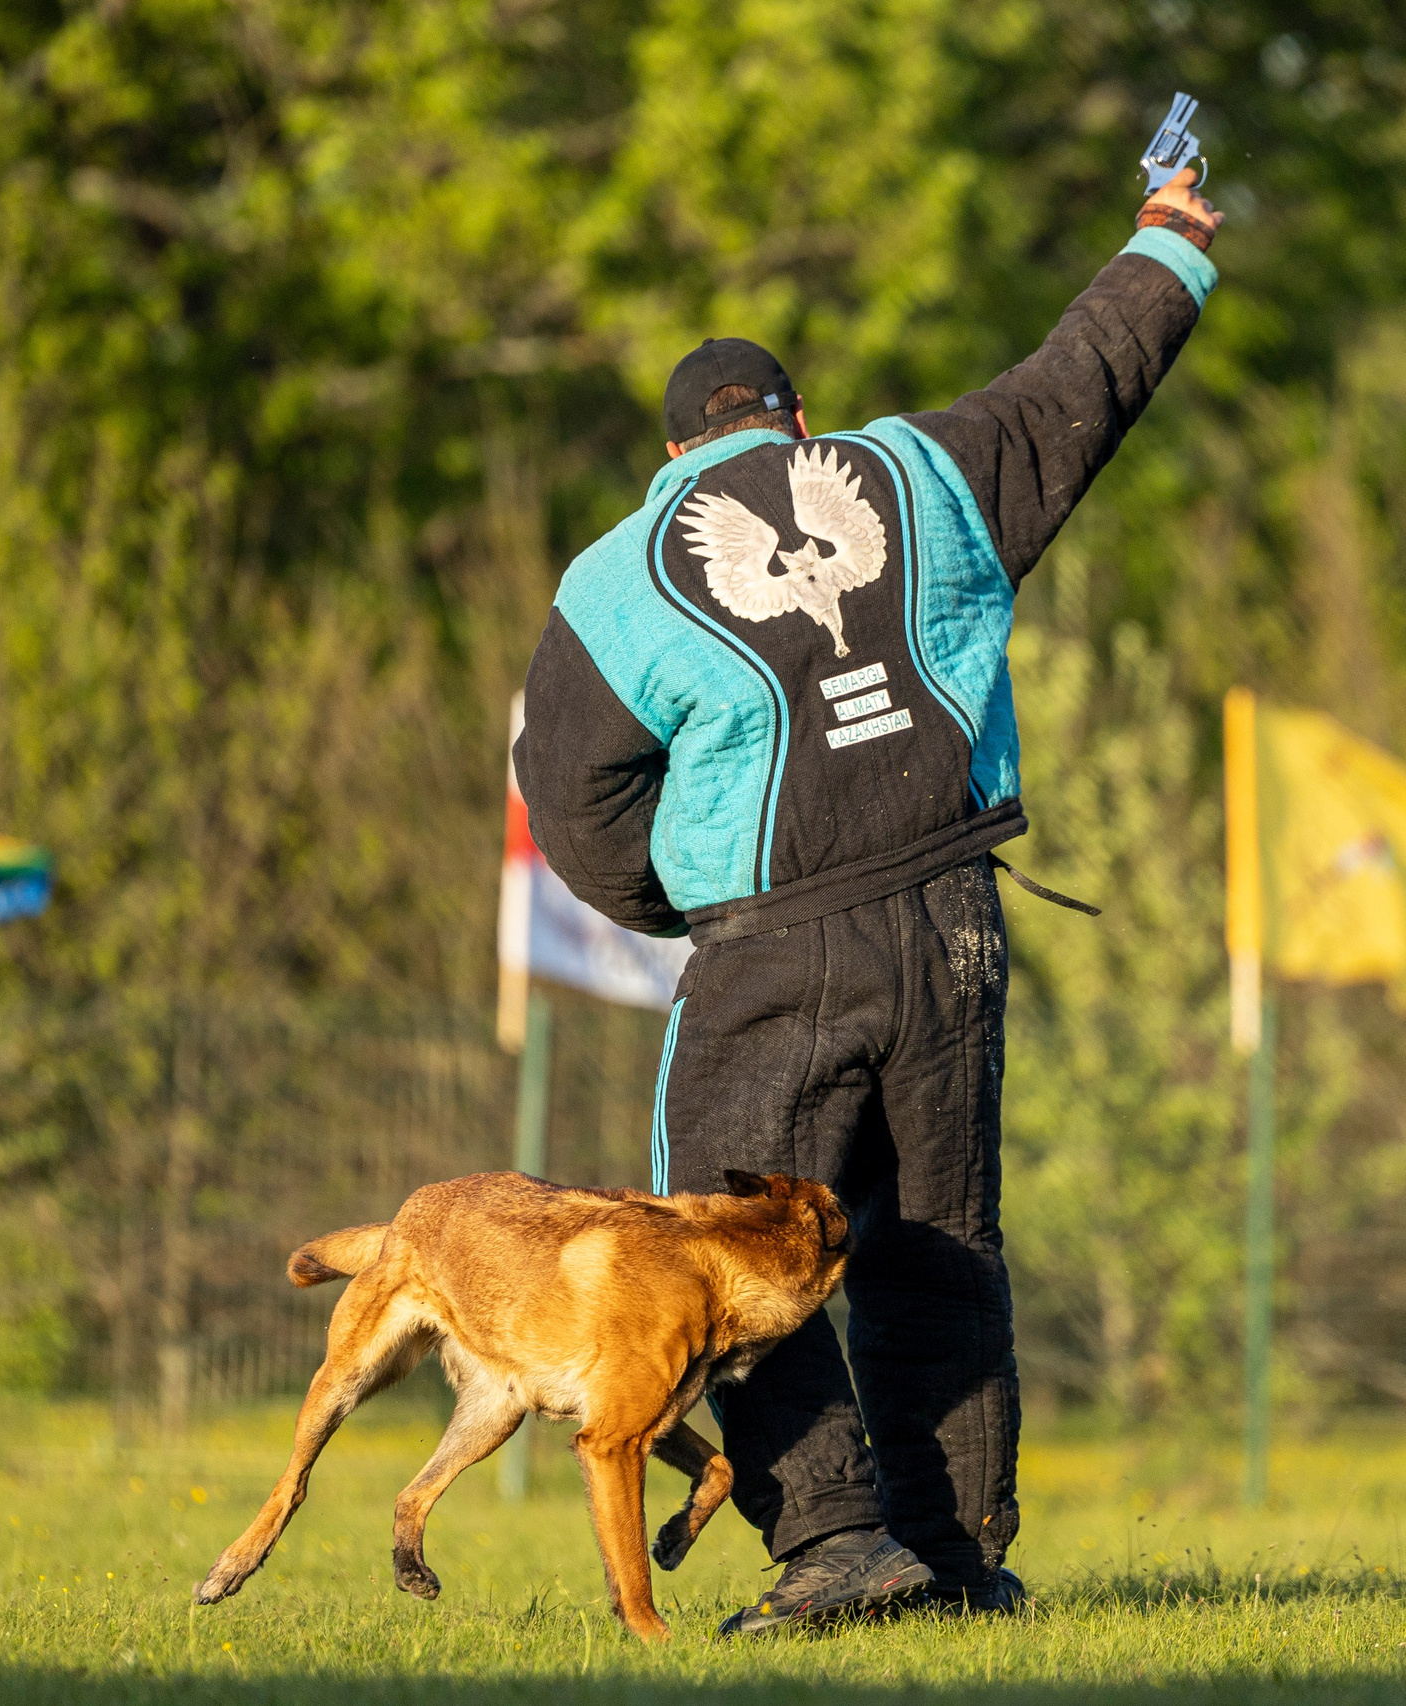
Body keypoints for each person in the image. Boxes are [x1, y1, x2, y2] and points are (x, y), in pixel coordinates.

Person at [513, 169, 1221, 1634]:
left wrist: (685, 904)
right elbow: (1071, 388)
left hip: (777, 938)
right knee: (939, 1238)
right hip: (953, 914)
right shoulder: (910, 472)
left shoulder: (621, 573)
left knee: (707, 1249)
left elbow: (573, 802)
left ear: (670, 453)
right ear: (795, 423)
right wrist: (1166, 248)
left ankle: (836, 1537)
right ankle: (958, 1554)